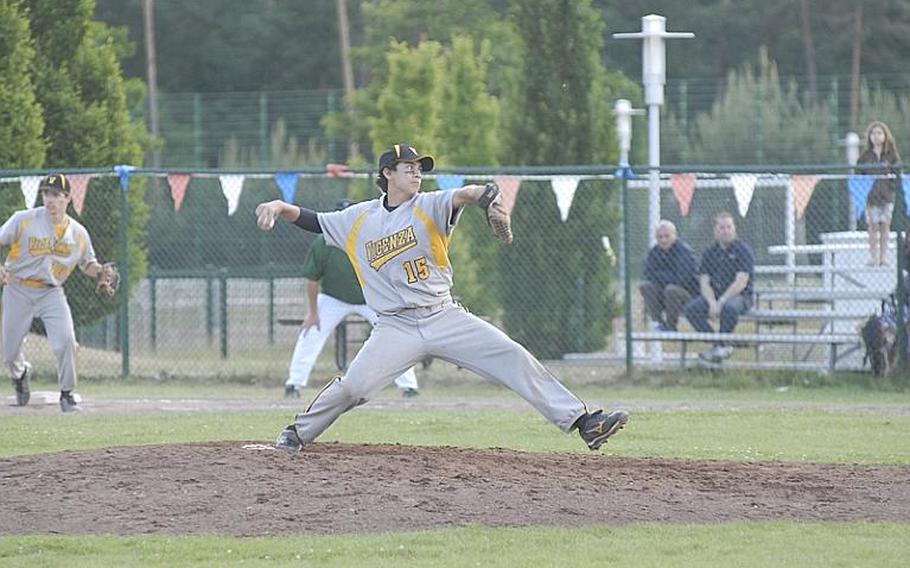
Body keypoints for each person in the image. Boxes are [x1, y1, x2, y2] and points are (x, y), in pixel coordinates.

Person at [255, 143, 628, 453]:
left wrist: (488, 196)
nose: (417, 173)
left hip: (443, 315)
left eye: (420, 168)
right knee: (354, 387)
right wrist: (277, 206)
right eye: (408, 167)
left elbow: (465, 194)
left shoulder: (430, 204)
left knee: (512, 355)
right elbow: (311, 219)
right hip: (395, 327)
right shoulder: (357, 218)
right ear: (387, 173)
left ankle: (584, 422)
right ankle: (298, 433)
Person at [0, 174, 117, 412]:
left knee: (66, 341)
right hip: (17, 288)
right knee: (9, 351)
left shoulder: (78, 233)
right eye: (46, 194)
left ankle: (67, 394)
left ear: (68, 199)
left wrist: (101, 272)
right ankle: (21, 373)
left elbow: (87, 264)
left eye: (56, 195)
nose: (50, 200)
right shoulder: (23, 220)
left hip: (51, 292)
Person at [284, 200, 419, 399]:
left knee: (394, 334)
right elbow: (312, 279)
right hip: (333, 297)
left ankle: (409, 387)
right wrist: (313, 313)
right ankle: (294, 384)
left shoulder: (373, 238)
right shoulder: (324, 242)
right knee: (311, 332)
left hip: (372, 297)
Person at [683, 211, 755, 363]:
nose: (726, 231)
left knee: (729, 308)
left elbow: (741, 282)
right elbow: (704, 282)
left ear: (734, 228)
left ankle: (721, 346)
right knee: (691, 309)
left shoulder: (743, 250)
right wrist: (711, 303)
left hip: (740, 297)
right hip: (714, 297)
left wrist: (720, 302)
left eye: (729, 227)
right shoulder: (709, 253)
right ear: (715, 230)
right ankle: (718, 344)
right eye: (722, 227)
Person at [639, 220, 698, 331]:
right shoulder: (654, 252)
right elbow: (647, 274)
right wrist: (669, 276)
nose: (663, 240)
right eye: (660, 237)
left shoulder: (684, 252)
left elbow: (682, 279)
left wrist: (660, 276)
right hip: (663, 295)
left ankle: (671, 326)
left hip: (687, 296)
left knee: (671, 290)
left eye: (667, 236)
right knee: (645, 286)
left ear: (675, 235)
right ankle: (658, 323)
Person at [857, 121, 902, 266]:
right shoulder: (865, 156)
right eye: (873, 133)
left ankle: (883, 258)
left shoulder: (891, 155)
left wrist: (891, 187)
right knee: (873, 226)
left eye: (879, 133)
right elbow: (859, 174)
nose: (876, 136)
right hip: (871, 198)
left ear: (885, 135)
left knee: (884, 226)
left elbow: (898, 174)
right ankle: (873, 258)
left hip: (887, 197)